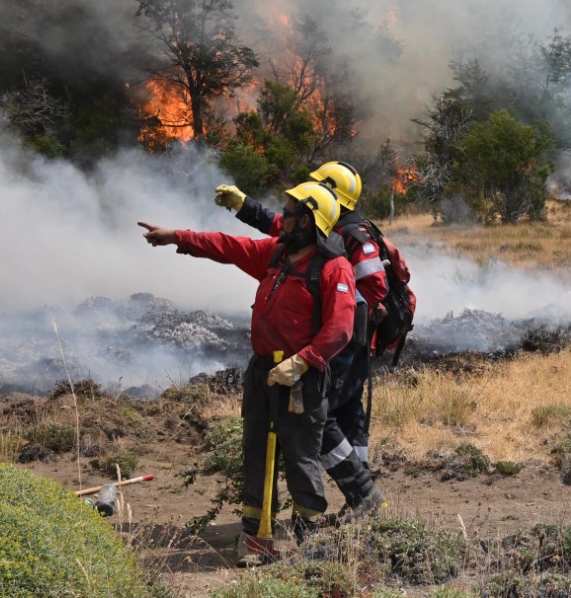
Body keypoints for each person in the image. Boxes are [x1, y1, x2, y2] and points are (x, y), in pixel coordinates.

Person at [139, 181, 354, 566]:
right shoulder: (276, 255)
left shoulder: (333, 268)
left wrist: (302, 361)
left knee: (301, 457)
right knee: (256, 453)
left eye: (287, 213)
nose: (280, 219)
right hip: (263, 373)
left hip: (300, 380)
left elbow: (339, 329)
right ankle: (256, 541)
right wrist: (178, 237)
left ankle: (310, 549)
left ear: (305, 221)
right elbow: (228, 246)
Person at [213, 163, 396, 514]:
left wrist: (327, 316)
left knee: (321, 418)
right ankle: (361, 497)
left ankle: (363, 495)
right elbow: (281, 227)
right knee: (345, 419)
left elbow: (373, 293)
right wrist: (244, 206)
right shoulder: (329, 229)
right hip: (339, 343)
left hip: (344, 345)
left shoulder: (353, 237)